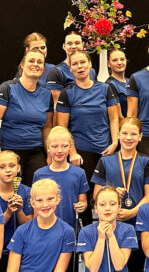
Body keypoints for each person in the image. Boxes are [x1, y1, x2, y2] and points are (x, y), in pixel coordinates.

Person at [1, 179, 85, 272]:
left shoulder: (67, 232)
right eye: (39, 200)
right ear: (32, 203)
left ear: (58, 199)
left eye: (50, 199)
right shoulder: (22, 231)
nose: (45, 205)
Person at [91, 117, 149, 272]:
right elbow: (96, 195)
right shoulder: (105, 161)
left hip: (137, 224)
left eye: (133, 134)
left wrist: (132, 212)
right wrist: (111, 192)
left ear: (140, 136)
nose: (128, 138)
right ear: (118, 135)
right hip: (112, 224)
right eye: (124, 133)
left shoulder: (146, 161)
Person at [33, 126, 89, 272]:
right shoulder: (39, 174)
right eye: (55, 146)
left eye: (64, 146)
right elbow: (36, 204)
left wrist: (82, 206)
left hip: (70, 229)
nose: (59, 150)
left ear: (70, 147)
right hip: (46, 230)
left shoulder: (78, 173)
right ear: (48, 148)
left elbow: (83, 201)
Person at [55, 48, 120, 188]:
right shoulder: (67, 93)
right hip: (82, 152)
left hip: (107, 150)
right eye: (75, 64)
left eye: (83, 62)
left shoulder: (105, 88)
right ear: (70, 68)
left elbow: (114, 119)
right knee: (86, 195)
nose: (80, 66)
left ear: (90, 64)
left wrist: (115, 143)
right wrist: (73, 153)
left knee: (108, 194)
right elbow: (62, 128)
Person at [0, 48, 54, 179]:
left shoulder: (46, 94)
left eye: (39, 62)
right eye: (31, 61)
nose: (35, 64)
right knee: (10, 191)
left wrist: (49, 155)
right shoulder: (7, 88)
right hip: (7, 151)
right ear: (22, 65)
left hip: (35, 152)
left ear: (43, 68)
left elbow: (47, 127)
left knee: (38, 188)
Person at [46, 31, 97, 103]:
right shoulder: (56, 72)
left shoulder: (91, 71)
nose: (73, 46)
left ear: (83, 45)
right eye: (69, 43)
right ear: (64, 46)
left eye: (77, 43)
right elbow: (56, 104)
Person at [105, 48, 130, 118]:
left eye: (122, 59)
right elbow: (118, 116)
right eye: (114, 60)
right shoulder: (109, 85)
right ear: (108, 64)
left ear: (126, 61)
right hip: (124, 123)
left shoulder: (131, 81)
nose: (119, 63)